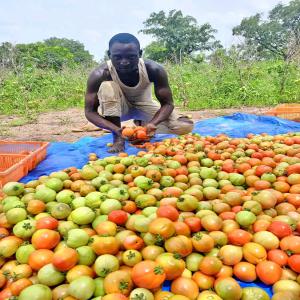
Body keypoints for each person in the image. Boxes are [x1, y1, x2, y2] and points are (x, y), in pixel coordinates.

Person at [84, 33, 194, 152]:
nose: (124, 62)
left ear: (140, 54)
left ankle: (141, 124)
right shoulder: (100, 74)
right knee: (107, 86)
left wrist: (153, 123)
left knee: (184, 126)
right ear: (109, 55)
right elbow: (90, 112)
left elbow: (168, 104)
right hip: (117, 110)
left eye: (131, 57)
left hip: (144, 105)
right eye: (117, 57)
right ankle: (118, 139)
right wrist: (114, 129)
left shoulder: (153, 69)